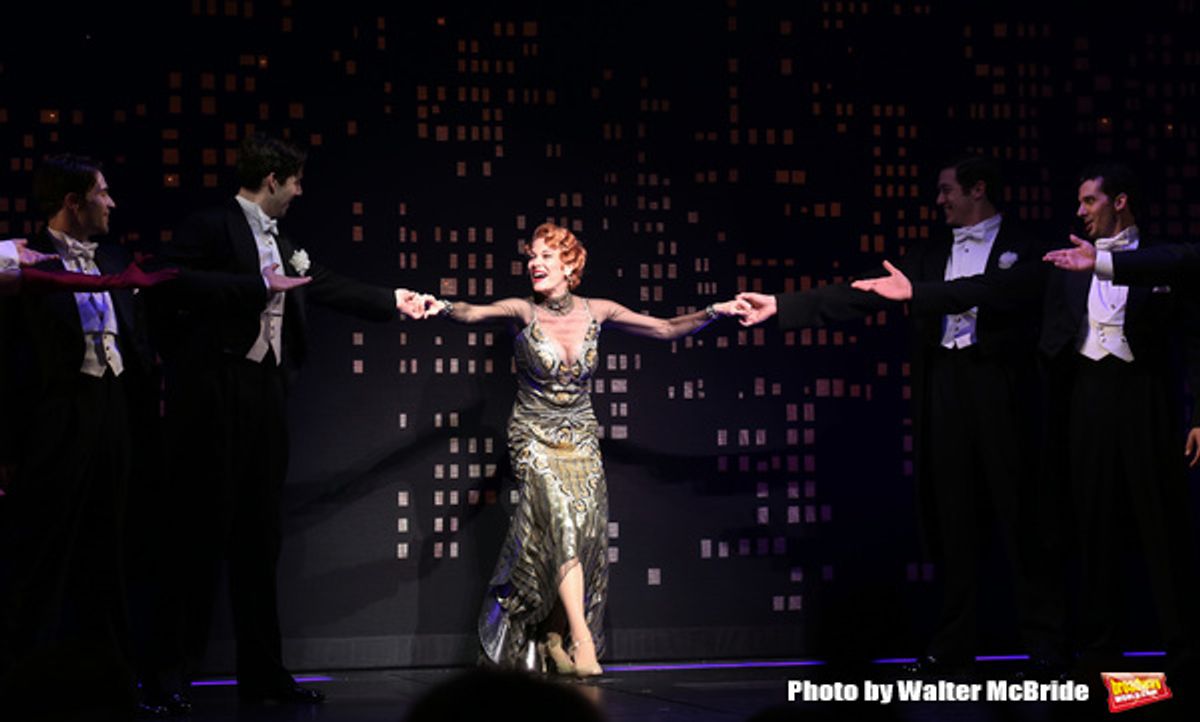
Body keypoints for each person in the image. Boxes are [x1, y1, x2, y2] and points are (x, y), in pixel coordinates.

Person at [739, 156, 1063, 676]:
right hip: (946, 389)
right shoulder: (932, 253)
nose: (939, 201)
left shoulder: (1029, 246)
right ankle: (953, 645)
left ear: (978, 189)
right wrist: (782, 305)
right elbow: (861, 295)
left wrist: (921, 295)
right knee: (950, 519)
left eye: (946, 190)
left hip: (1004, 393)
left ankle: (1045, 641)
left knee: (1020, 515)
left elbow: (997, 293)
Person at [141, 132, 424, 710]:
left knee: (259, 541)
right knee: (198, 537)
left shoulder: (286, 241)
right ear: (272, 179)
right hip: (217, 395)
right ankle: (170, 676)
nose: (300, 191)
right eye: (295, 181)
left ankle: (263, 675)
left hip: (267, 396)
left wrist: (394, 299)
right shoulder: (210, 225)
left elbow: (324, 285)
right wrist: (255, 286)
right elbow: (168, 281)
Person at [421, 221, 746, 676]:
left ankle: (554, 636)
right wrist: (438, 307)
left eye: (546, 256)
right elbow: (473, 313)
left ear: (570, 264)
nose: (535, 263)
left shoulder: (600, 310)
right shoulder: (523, 310)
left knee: (584, 529)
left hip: (580, 435)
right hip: (533, 436)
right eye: (531, 256)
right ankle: (582, 638)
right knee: (561, 520)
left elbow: (667, 328)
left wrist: (717, 311)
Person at [0, 155, 164, 719]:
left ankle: (118, 682)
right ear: (74, 202)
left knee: (110, 552)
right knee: (41, 555)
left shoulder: (116, 258)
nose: (111, 203)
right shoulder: (18, 261)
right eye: (102, 193)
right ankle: (18, 683)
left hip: (111, 412)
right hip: (55, 418)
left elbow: (136, 342)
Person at [1037, 163, 1196, 671]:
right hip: (1088, 397)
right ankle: (1101, 647)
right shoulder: (1064, 264)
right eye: (1080, 202)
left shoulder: (1161, 260)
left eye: (1090, 201)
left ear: (1119, 200)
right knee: (1093, 524)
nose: (1081, 212)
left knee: (1160, 524)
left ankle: (1184, 646)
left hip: (1144, 395)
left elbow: (1194, 340)